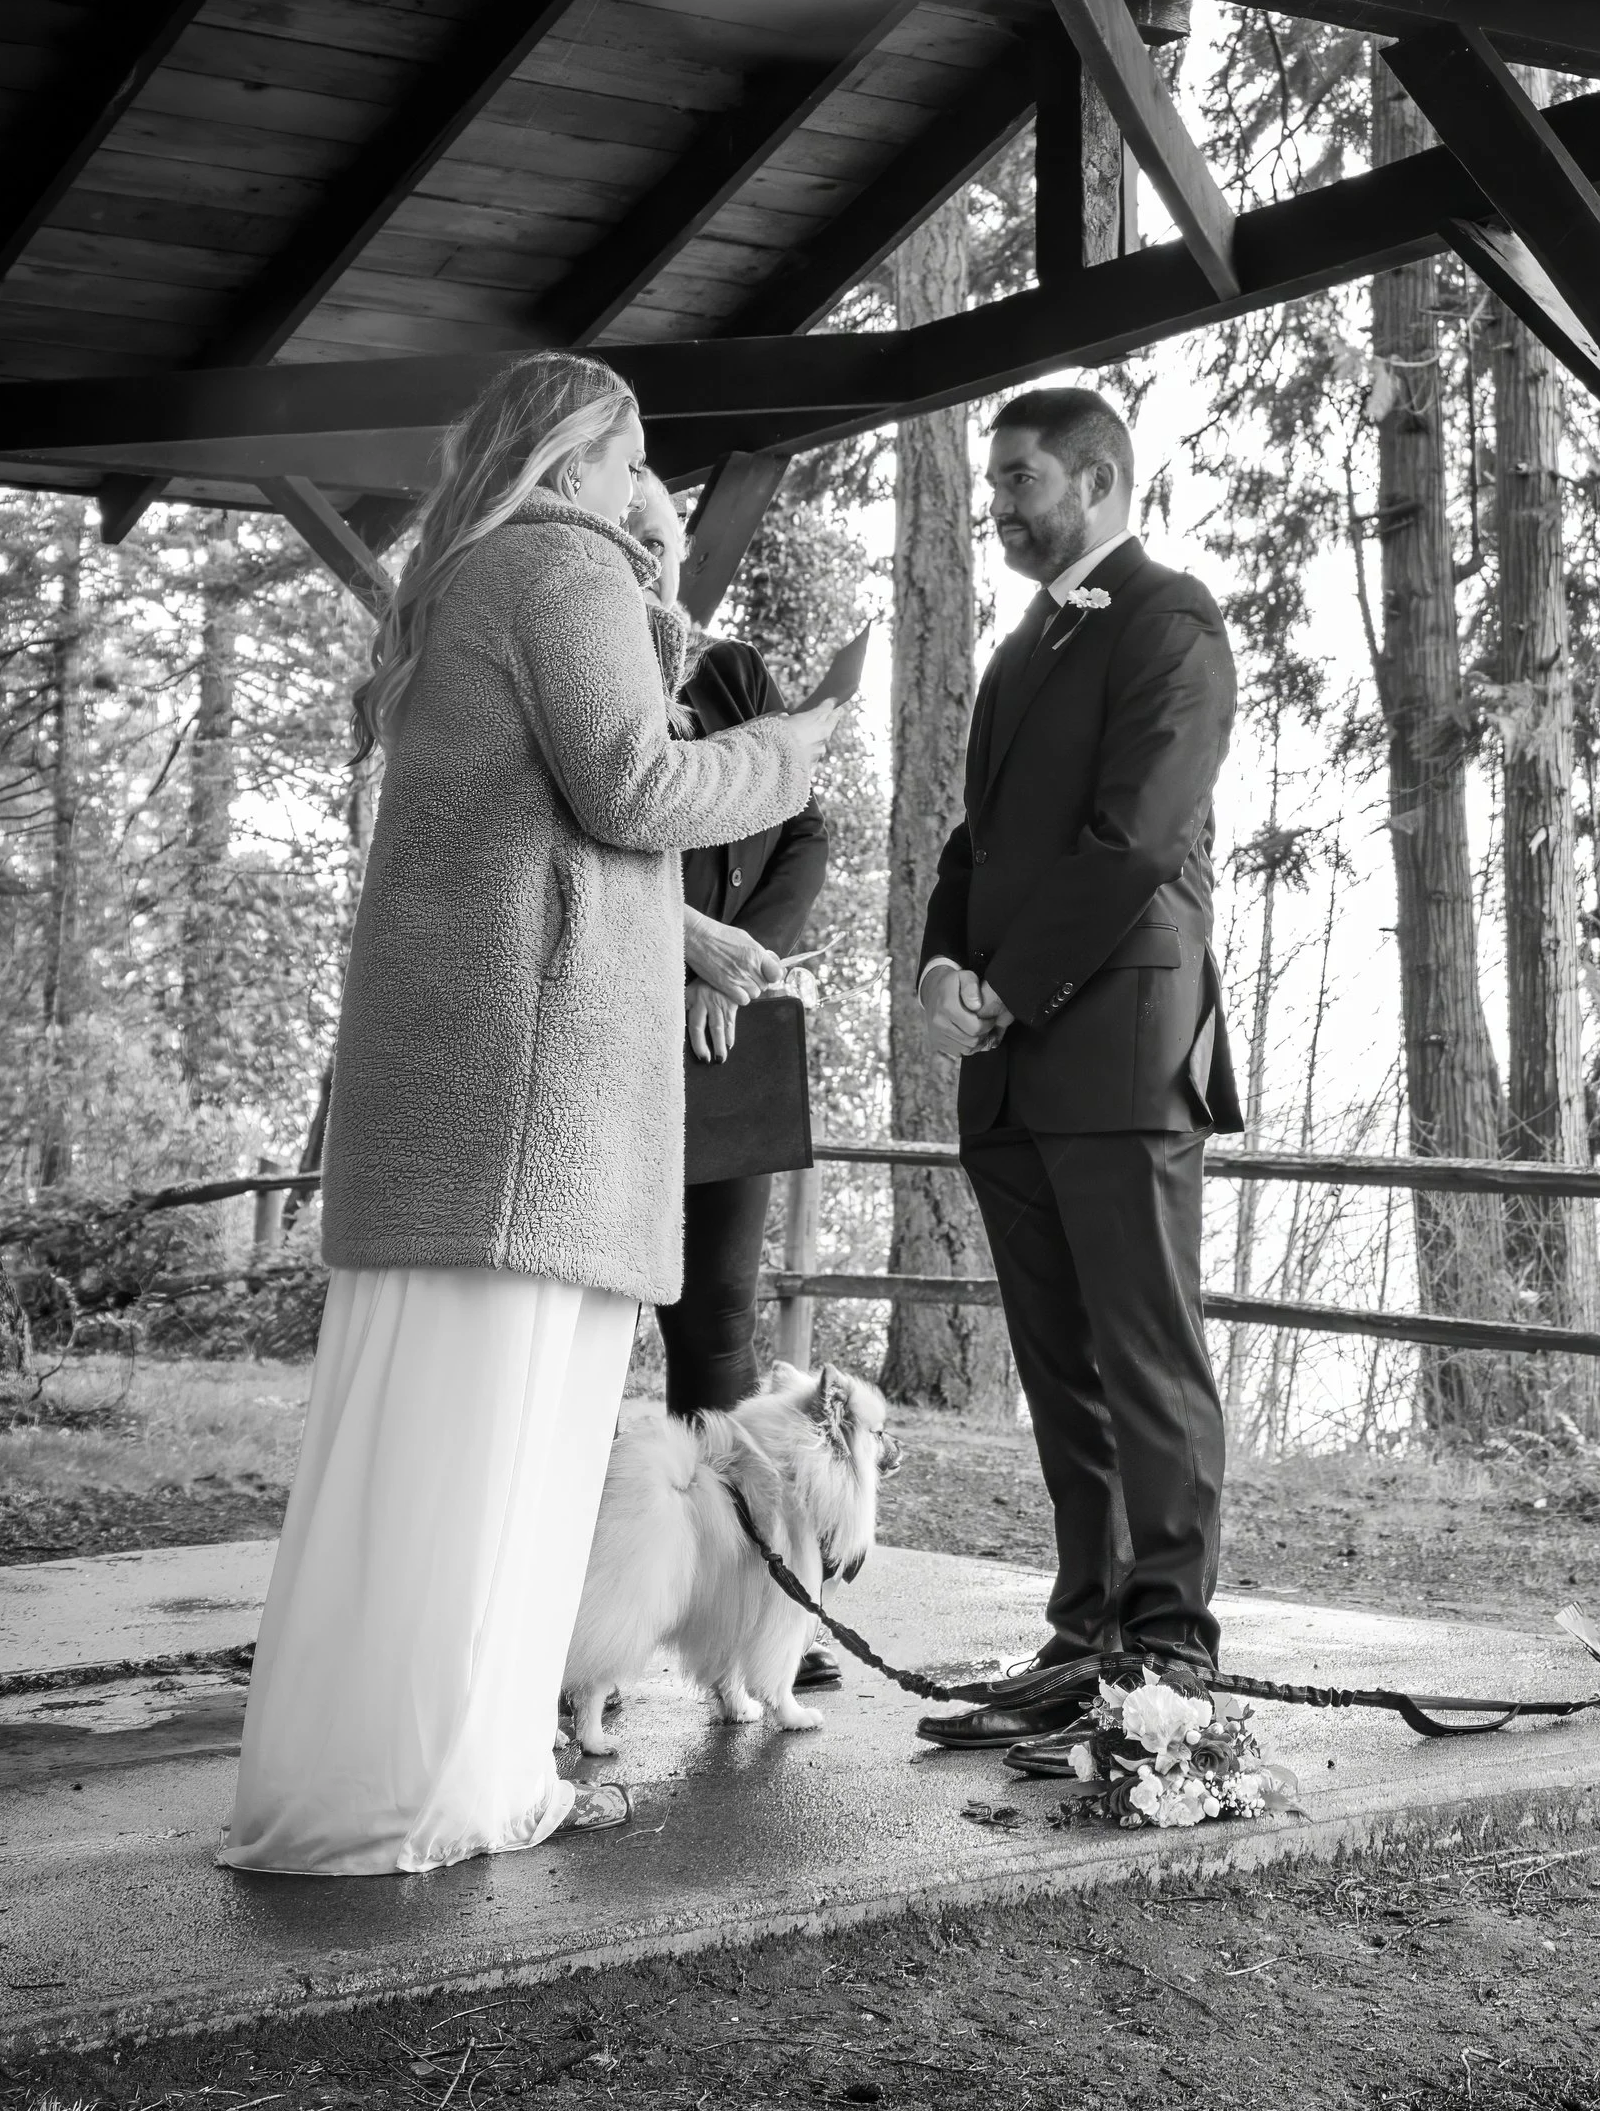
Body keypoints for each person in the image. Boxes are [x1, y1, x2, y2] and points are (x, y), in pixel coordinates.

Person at [221, 350, 833, 1878]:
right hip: (523, 1110)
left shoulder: (471, 580)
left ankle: (402, 1770)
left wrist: (692, 938)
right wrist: (793, 747)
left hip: (459, 1098)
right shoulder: (562, 566)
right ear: (571, 455)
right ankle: (434, 1792)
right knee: (499, 1465)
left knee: (428, 1460)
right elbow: (630, 785)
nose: (652, 492)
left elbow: (520, 828)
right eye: (635, 459)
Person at [913, 386, 1239, 1755]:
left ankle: (1168, 1645)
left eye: (1021, 479)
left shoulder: (1172, 621)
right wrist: (940, 964)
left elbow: (1137, 838)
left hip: (1112, 1040)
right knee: (1059, 1363)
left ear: (1100, 480)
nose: (998, 503)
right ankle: (1083, 1633)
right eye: (995, 481)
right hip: (1008, 1058)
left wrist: (1008, 981)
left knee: (1145, 1351)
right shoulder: (1021, 645)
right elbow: (973, 845)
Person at [663, 633, 829, 1416]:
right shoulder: (593, 668)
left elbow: (804, 830)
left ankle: (713, 1534)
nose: (648, 555)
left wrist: (735, 970)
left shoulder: (733, 674)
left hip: (731, 1041)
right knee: (596, 1308)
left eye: (659, 536)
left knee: (722, 1318)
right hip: (619, 1030)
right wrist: (692, 954)